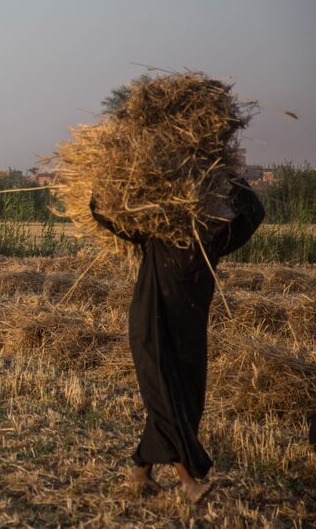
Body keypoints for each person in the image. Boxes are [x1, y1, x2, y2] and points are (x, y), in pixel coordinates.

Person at [90, 177, 265, 503]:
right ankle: (188, 482)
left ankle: (141, 472)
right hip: (151, 329)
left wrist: (223, 174)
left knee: (186, 402)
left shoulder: (214, 241)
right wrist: (118, 174)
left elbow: (254, 212)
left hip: (189, 336)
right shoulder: (154, 236)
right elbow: (101, 210)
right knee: (168, 402)